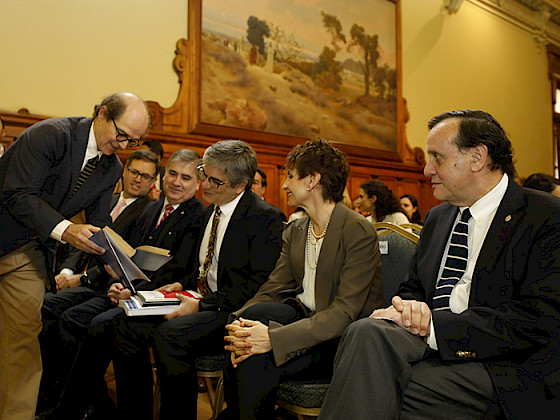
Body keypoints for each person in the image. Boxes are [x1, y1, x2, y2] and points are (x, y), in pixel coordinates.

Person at [319, 110, 560, 419]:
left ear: (477, 157)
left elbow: (538, 319)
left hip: (505, 364)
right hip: (429, 343)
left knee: (373, 381)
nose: (425, 168)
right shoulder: (439, 216)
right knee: (366, 331)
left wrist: (436, 327)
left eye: (437, 157)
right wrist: (408, 308)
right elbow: (413, 288)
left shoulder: (545, 216)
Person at [0, 92, 149, 419]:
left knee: (22, 341)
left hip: (29, 252)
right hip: (4, 229)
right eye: (121, 135)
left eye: (133, 141)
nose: (123, 145)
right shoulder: (52, 134)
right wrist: (65, 229)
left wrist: (116, 264)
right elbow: (17, 194)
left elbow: (99, 223)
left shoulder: (112, 168)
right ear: (103, 113)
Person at [111, 140, 285, 420]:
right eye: (204, 172)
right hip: (198, 298)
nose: (204, 184)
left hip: (232, 311)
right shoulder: (211, 209)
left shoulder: (264, 218)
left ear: (239, 186)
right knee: (124, 324)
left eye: (214, 181)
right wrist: (182, 284)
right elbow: (203, 266)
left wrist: (201, 305)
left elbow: (257, 287)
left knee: (170, 336)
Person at [220, 139, 383, 419]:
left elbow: (343, 314)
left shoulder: (357, 231)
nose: (284, 184)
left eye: (291, 176)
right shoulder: (297, 229)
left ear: (312, 180)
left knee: (254, 359)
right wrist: (238, 321)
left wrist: (272, 338)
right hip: (305, 323)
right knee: (246, 334)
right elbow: (274, 286)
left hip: (340, 341)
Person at [37, 148, 159, 414]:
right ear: (124, 172)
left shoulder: (148, 211)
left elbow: (123, 258)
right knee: (43, 310)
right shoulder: (110, 199)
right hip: (80, 278)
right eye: (135, 172)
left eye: (146, 177)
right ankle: (50, 393)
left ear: (153, 182)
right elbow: (82, 241)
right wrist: (67, 272)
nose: (139, 179)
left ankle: (88, 401)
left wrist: (80, 278)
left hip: (104, 285)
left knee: (66, 317)